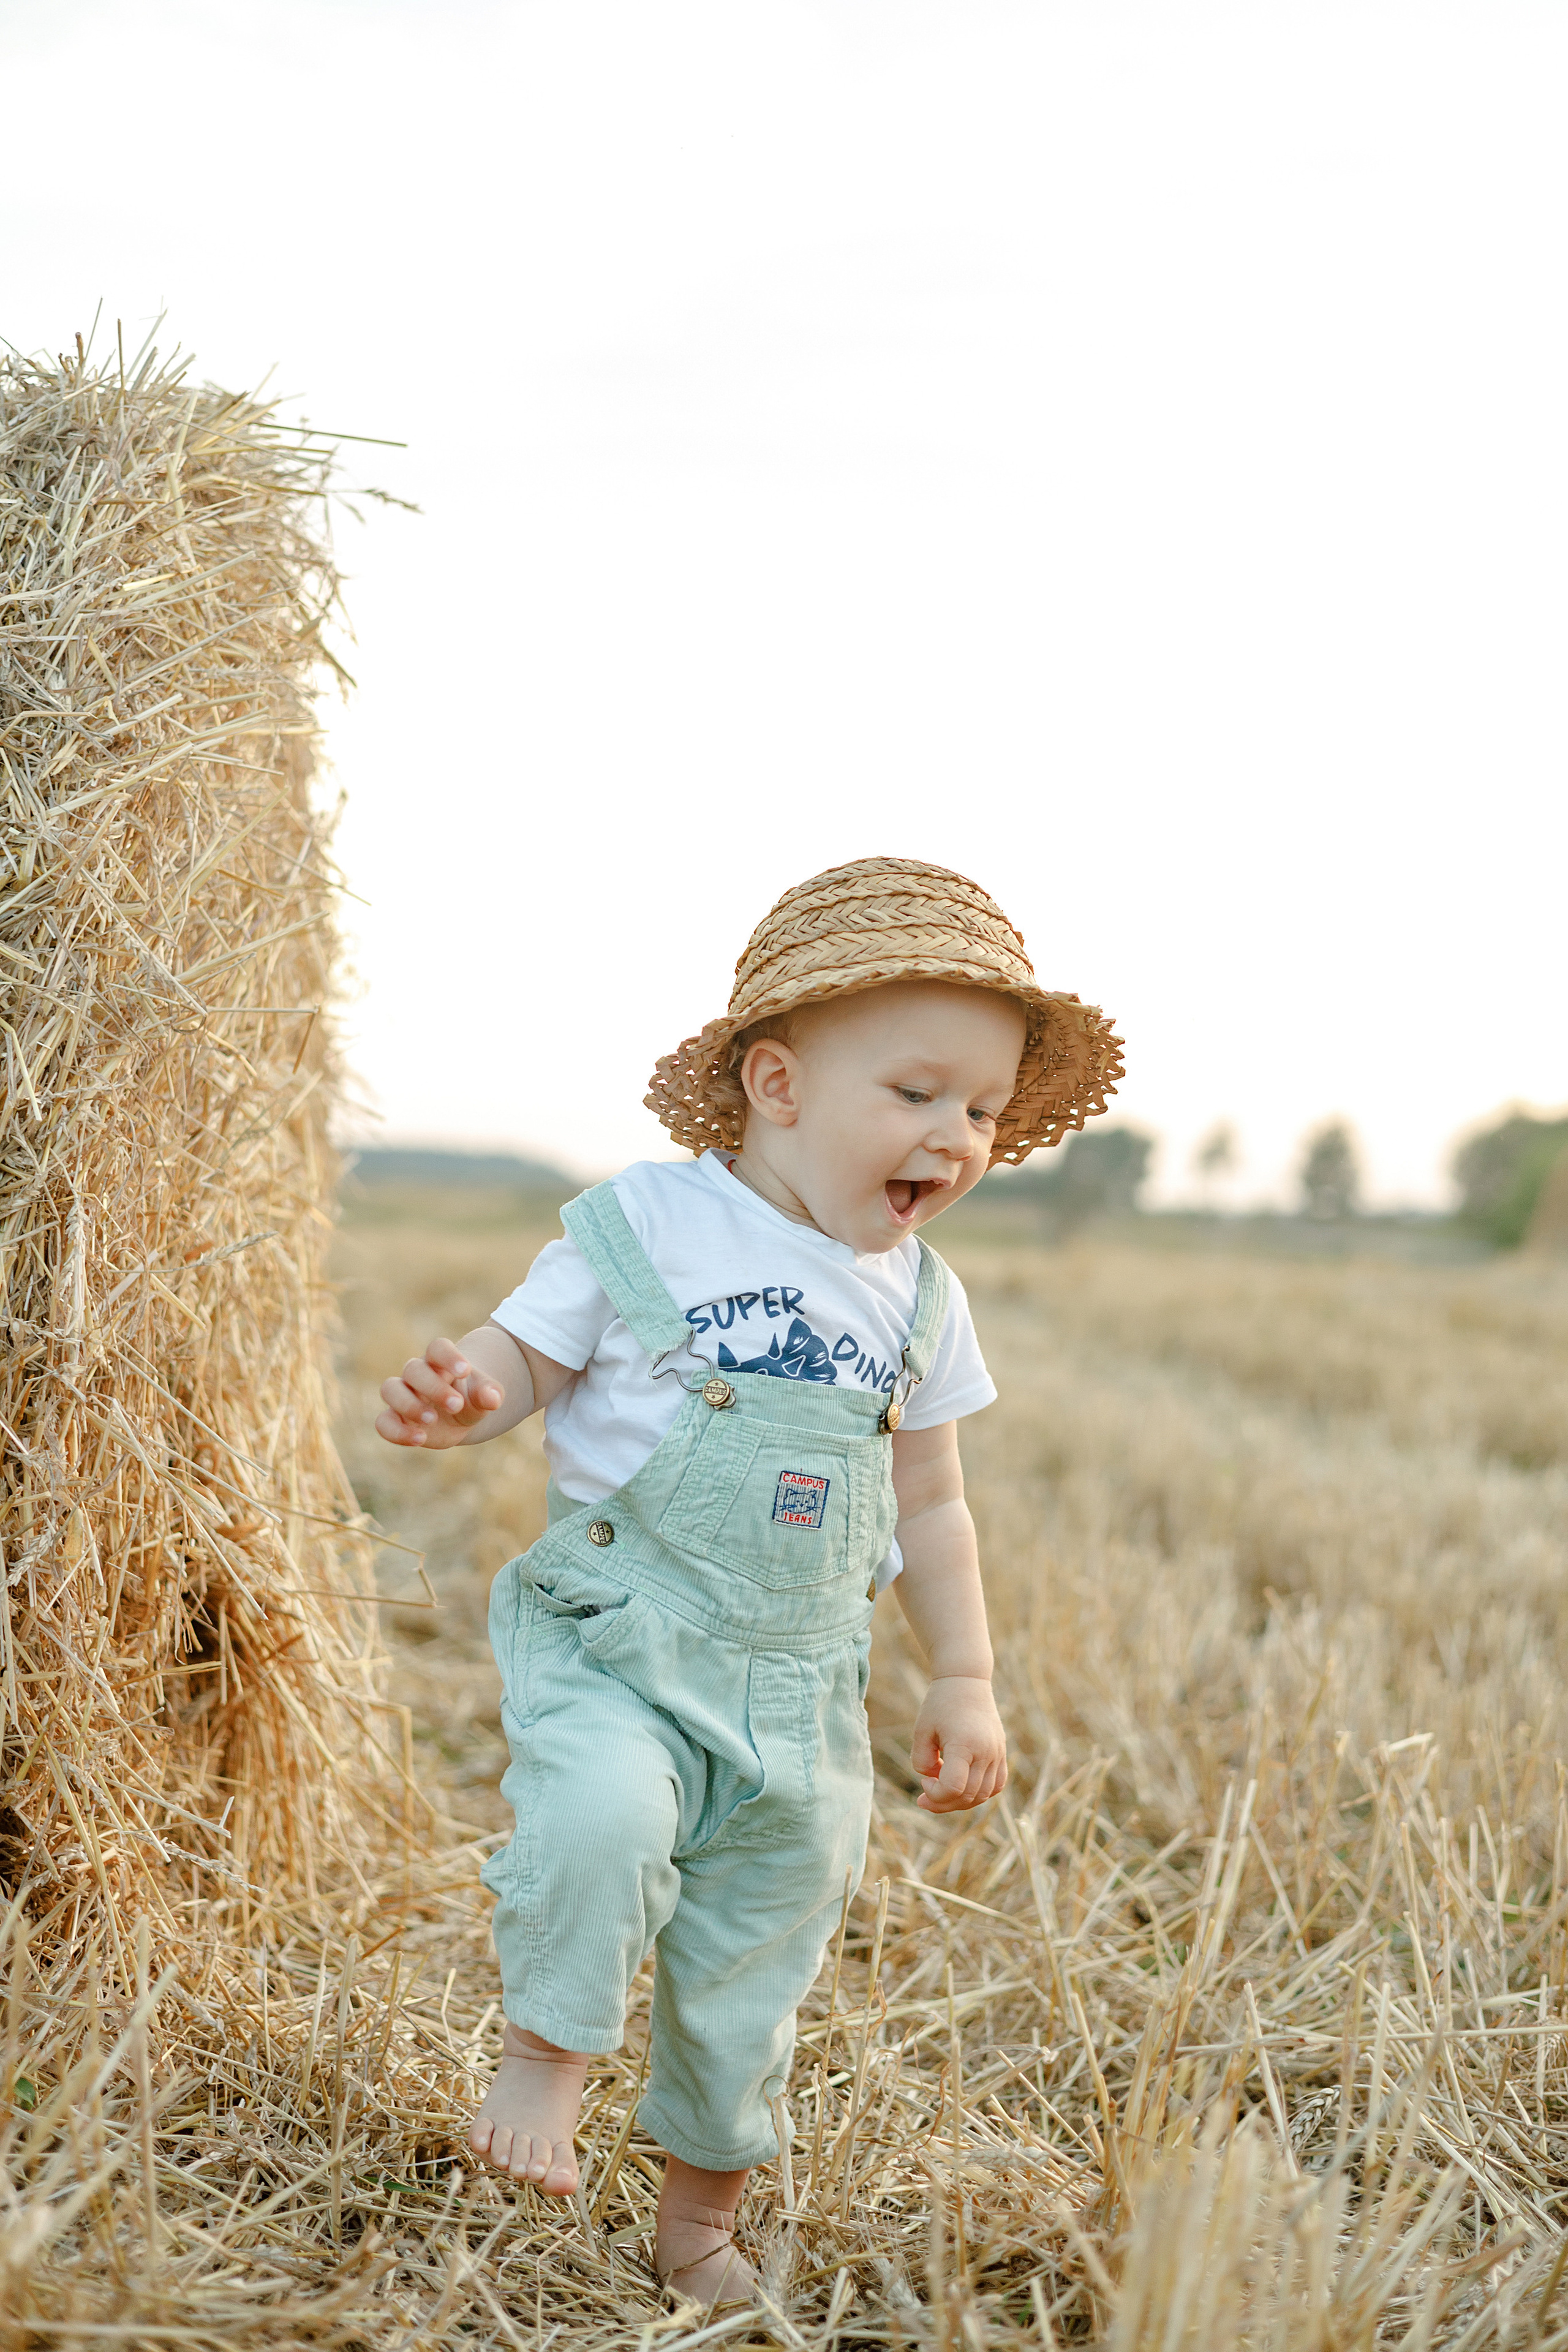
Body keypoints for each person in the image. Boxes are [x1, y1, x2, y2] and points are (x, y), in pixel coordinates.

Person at [374, 857, 1121, 2305]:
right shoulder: (648, 1222)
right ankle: (544, 2065)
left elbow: (931, 1501)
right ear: (776, 1085)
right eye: (916, 1094)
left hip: (798, 1684)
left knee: (752, 1963)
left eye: (980, 1109)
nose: (955, 1136)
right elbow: (529, 1355)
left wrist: (964, 1674)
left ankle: (699, 2219)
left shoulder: (921, 1300)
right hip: (622, 1633)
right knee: (595, 1819)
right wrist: (472, 1390)